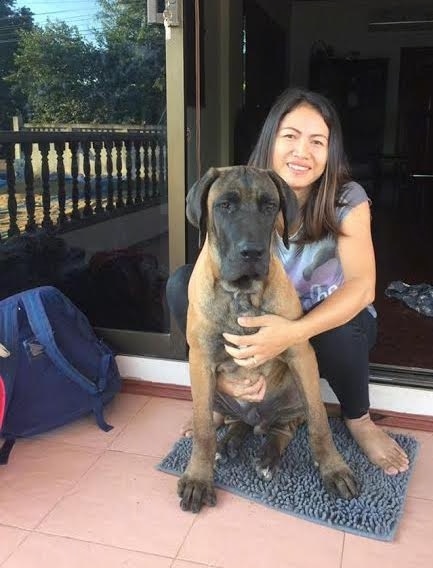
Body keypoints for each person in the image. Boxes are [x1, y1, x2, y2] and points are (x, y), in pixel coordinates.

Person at [166, 87, 409, 476]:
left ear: (331, 151)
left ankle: (359, 420)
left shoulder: (345, 197)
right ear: (271, 141)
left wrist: (290, 334)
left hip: (329, 322)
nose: (302, 152)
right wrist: (225, 381)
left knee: (341, 330)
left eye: (317, 141)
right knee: (181, 285)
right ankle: (222, 403)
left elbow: (363, 287)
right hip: (270, 317)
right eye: (291, 137)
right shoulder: (243, 185)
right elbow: (209, 278)